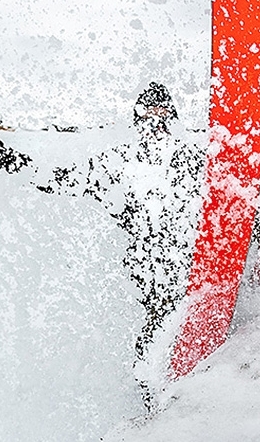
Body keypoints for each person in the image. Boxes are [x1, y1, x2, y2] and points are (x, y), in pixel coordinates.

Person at [37, 82, 205, 369]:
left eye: (162, 112)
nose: (156, 119)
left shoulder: (192, 157)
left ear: (172, 118)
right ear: (138, 119)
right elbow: (63, 180)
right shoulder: (119, 163)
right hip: (153, 279)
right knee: (152, 351)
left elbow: (233, 173)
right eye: (148, 113)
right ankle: (158, 401)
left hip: (194, 267)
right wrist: (6, 158)